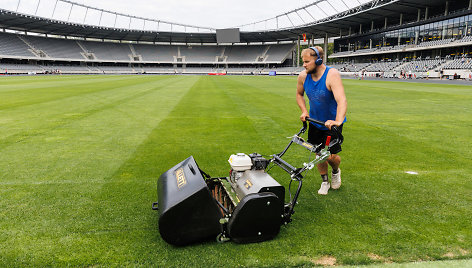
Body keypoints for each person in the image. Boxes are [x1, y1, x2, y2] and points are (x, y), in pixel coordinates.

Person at [296, 46, 347, 195]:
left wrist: (337, 121)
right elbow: (299, 95)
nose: (304, 65)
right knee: (318, 154)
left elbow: (341, 99)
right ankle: (325, 181)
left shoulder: (332, 75)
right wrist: (304, 111)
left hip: (331, 125)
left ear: (318, 60)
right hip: (315, 123)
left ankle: (336, 171)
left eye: (307, 61)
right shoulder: (303, 76)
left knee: (330, 156)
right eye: (303, 62)